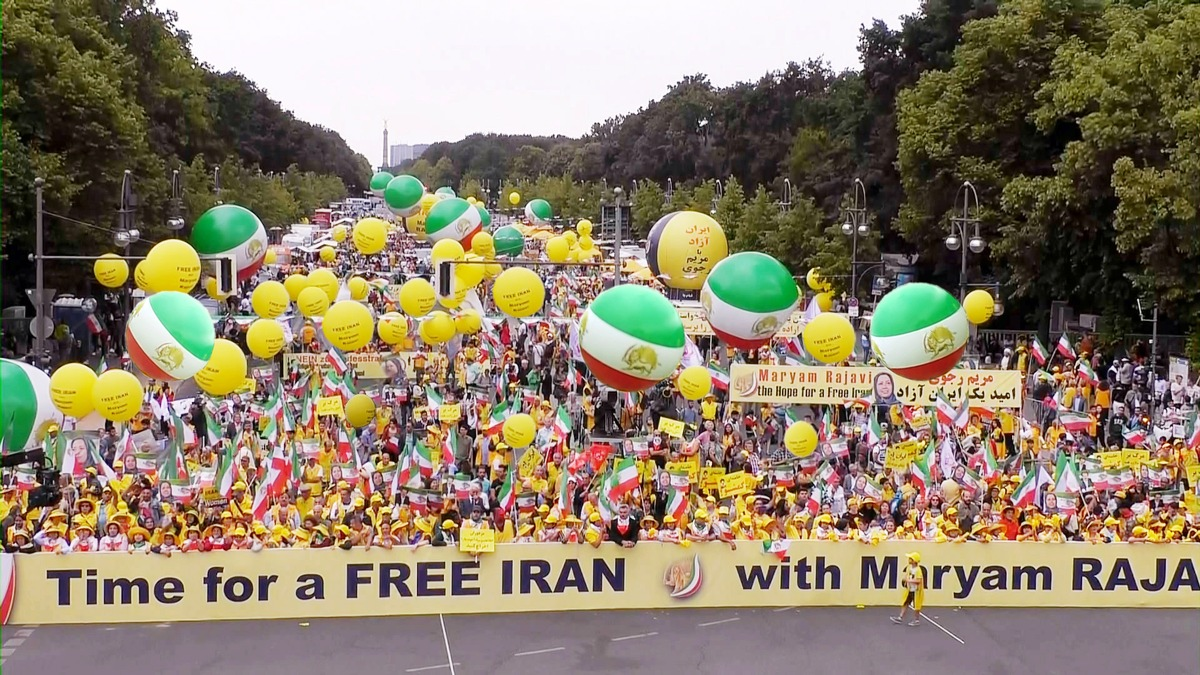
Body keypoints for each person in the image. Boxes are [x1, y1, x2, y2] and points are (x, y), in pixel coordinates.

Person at [891, 551, 925, 626]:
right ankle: (900, 617)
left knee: (916, 605)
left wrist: (909, 580)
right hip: (909, 589)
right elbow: (907, 576)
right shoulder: (909, 568)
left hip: (916, 590)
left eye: (910, 558)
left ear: (914, 560)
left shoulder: (918, 570)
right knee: (905, 603)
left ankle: (916, 620)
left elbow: (919, 581)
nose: (909, 560)